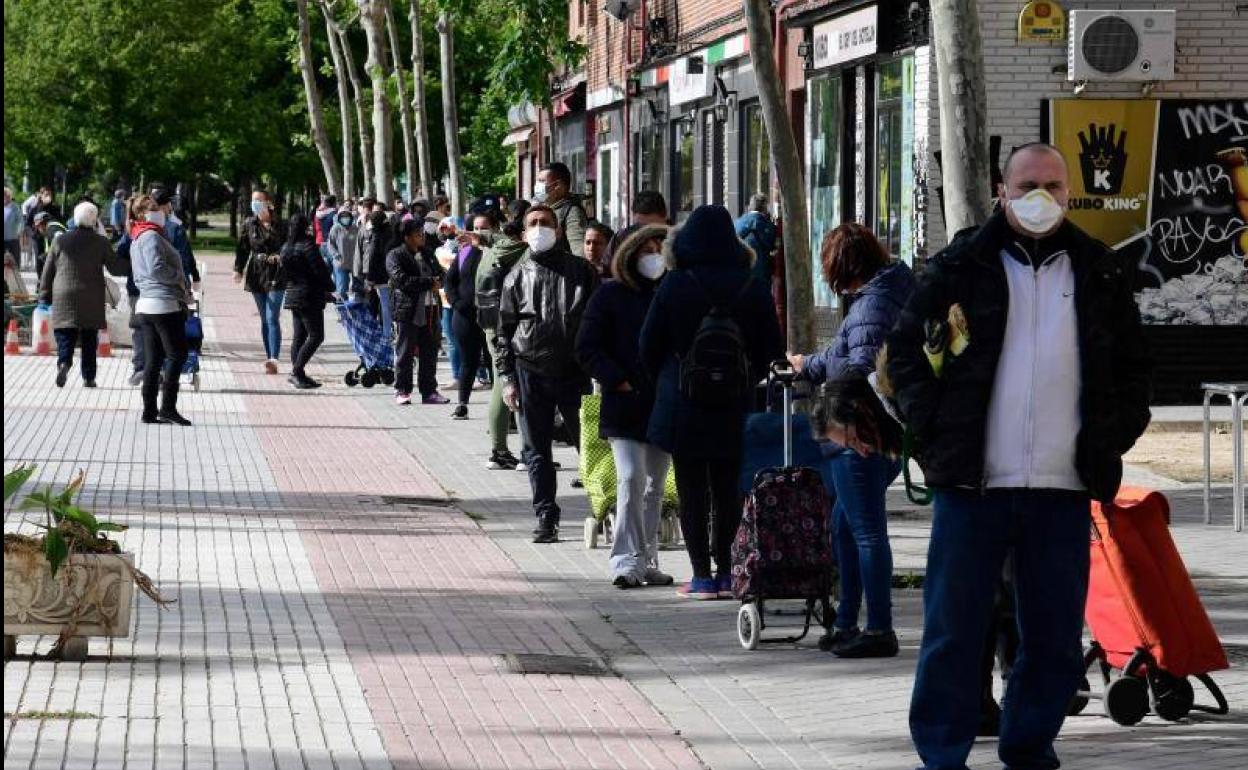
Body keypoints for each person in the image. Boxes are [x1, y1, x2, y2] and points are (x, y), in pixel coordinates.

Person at [888, 143, 1152, 770]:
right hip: (973, 487)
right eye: (1027, 184)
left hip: (1061, 489)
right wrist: (934, 435)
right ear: (1001, 192)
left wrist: (1108, 439)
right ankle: (942, 753)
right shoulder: (959, 267)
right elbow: (901, 358)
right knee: (954, 631)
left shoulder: (1100, 273)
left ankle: (1029, 746)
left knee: (1056, 640)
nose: (1041, 197)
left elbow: (1136, 372)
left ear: (1070, 194)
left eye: (1054, 186)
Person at [639, 204, 783, 599]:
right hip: (734, 402)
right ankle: (727, 572)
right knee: (728, 488)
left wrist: (667, 379)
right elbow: (773, 347)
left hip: (683, 402)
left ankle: (700, 576)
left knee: (690, 489)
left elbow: (648, 345)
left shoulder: (675, 283)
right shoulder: (750, 285)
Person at [787, 223, 915, 657]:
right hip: (878, 432)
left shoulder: (872, 305)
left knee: (865, 533)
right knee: (844, 527)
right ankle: (846, 621)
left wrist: (832, 409)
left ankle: (879, 627)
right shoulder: (885, 295)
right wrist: (809, 364)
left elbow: (858, 366)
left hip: (859, 433)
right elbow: (846, 355)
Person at [575, 223, 674, 588]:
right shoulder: (610, 295)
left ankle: (647, 559)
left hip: (663, 404)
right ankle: (624, 560)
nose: (654, 256)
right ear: (631, 254)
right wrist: (618, 380)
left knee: (655, 486)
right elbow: (587, 347)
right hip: (624, 405)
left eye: (659, 248)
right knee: (631, 477)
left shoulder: (673, 293)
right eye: (646, 249)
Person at [497, 204, 601, 543]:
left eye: (546, 222)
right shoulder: (515, 276)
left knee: (590, 445)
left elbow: (599, 320)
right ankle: (546, 515)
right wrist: (508, 378)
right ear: (524, 233)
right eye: (533, 223)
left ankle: (604, 508)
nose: (540, 228)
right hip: (530, 372)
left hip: (574, 371)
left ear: (557, 229)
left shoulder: (582, 272)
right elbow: (504, 332)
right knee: (536, 450)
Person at [36, 201, 127, 389]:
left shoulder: (60, 241)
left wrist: (44, 294)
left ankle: (64, 362)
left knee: (65, 333)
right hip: (91, 296)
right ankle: (89, 377)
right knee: (89, 337)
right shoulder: (101, 242)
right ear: (94, 220)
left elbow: (48, 271)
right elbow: (115, 267)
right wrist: (133, 263)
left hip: (64, 294)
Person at [130, 194, 193, 425]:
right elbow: (157, 269)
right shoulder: (150, 236)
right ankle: (167, 408)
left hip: (149, 303)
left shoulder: (139, 235)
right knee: (178, 355)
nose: (161, 212)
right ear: (144, 213)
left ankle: (149, 411)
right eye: (155, 208)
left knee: (154, 359)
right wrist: (180, 278)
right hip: (162, 303)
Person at [476, 199, 529, 470]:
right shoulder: (522, 252)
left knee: (501, 380)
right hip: (512, 325)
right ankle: (517, 450)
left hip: (489, 323)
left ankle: (499, 449)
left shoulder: (493, 250)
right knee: (510, 383)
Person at [387, 219, 448, 406]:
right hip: (408, 310)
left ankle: (429, 391)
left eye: (422, 233)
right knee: (405, 352)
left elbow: (441, 274)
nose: (422, 237)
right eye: (417, 234)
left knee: (429, 352)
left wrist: (438, 280)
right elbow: (401, 280)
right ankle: (402, 389)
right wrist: (428, 283)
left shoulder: (428, 253)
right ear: (407, 237)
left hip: (431, 309)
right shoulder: (395, 255)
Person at [444, 211, 496, 419]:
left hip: (492, 316)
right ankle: (462, 404)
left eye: (484, 227)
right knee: (469, 361)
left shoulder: (497, 251)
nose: (479, 232)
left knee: (495, 361)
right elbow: (450, 280)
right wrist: (456, 302)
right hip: (465, 316)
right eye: (476, 228)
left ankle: (502, 411)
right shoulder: (465, 252)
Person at [278, 213, 333, 389]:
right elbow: (319, 270)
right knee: (316, 335)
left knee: (299, 336)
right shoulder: (307, 245)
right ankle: (296, 371)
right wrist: (330, 287)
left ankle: (298, 374)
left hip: (293, 294)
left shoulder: (286, 246)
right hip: (308, 295)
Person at [234, 190, 286, 374]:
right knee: (264, 319)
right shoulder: (249, 224)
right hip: (256, 274)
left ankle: (274, 358)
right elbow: (242, 249)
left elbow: (289, 246)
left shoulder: (281, 224)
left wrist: (281, 256)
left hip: (277, 274)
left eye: (259, 200)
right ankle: (268, 357)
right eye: (253, 200)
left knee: (272, 317)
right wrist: (238, 270)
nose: (255, 203)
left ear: (268, 203)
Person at [536, 162, 588, 258]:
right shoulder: (545, 208)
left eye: (541, 181)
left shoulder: (572, 212)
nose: (537, 186)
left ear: (557, 185)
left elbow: (579, 252)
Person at [151, 186, 200, 288]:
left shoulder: (139, 227)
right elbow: (185, 255)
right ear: (165, 206)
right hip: (175, 285)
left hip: (146, 286)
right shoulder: (174, 228)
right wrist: (194, 276)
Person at [360, 207, 397, 338]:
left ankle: (387, 333)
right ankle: (391, 330)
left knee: (385, 306)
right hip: (394, 274)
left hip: (381, 278)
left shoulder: (377, 235)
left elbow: (373, 258)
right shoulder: (392, 233)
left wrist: (370, 278)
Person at [605, 191, 669, 265]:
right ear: (633, 217)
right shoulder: (621, 239)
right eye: (640, 227)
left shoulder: (678, 240)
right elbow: (607, 270)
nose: (648, 233)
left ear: (665, 217)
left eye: (654, 229)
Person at [736, 193, 777, 286]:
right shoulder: (763, 223)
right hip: (760, 271)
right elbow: (771, 243)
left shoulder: (738, 222)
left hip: (741, 272)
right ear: (765, 207)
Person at [326, 204, 359, 299]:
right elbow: (330, 244)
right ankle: (342, 306)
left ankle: (357, 307)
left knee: (357, 288)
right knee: (342, 289)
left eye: (347, 216)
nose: (345, 218)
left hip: (354, 263)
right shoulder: (335, 228)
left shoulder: (355, 228)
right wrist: (336, 254)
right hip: (341, 262)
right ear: (339, 218)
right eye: (343, 217)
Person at [31, 211, 68, 279]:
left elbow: (61, 244)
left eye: (38, 227)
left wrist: (47, 256)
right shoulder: (52, 228)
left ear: (41, 225)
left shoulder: (52, 229)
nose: (38, 230)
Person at [314, 194, 338, 267]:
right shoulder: (334, 214)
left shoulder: (319, 215)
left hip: (322, 243)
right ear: (334, 203)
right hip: (332, 244)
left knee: (326, 269)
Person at [3, 188, 22, 265]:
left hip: (13, 238)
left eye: (7, 195)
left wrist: (19, 231)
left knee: (14, 261)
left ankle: (15, 276)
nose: (5, 197)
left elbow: (20, 220)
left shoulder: (15, 207)